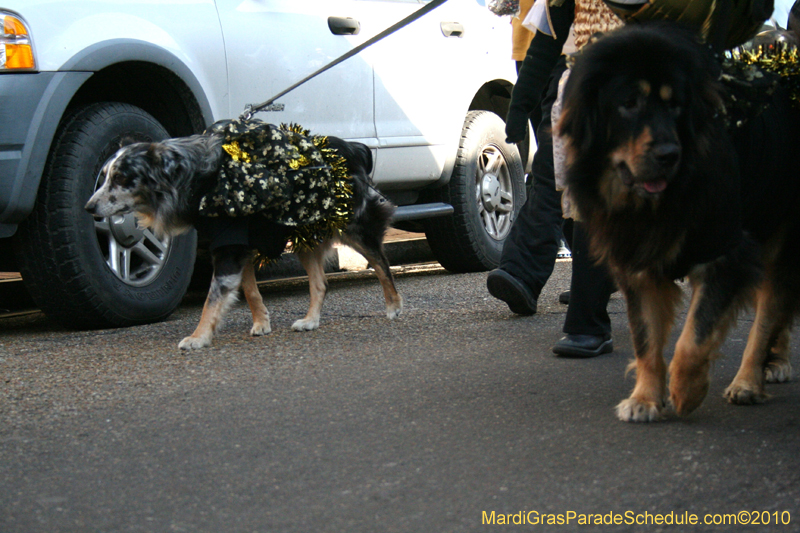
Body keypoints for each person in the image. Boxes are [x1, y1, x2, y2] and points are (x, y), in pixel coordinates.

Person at [487, 0, 620, 357]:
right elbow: (549, 36)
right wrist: (520, 102)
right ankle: (587, 323)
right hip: (583, 92)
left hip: (652, 86)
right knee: (582, 198)